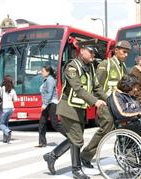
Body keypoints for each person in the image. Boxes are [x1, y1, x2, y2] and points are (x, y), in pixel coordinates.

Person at [43, 45, 109, 179]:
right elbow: (78, 88)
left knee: (74, 138)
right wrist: (95, 101)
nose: (93, 55)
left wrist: (110, 99)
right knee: (77, 139)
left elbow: (96, 87)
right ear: (82, 51)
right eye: (90, 52)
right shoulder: (71, 67)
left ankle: (51, 156)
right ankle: (76, 170)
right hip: (68, 108)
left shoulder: (90, 67)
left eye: (94, 53)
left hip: (79, 108)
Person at [80, 40, 132, 168]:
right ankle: (85, 156)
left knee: (125, 129)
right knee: (107, 127)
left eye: (127, 53)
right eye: (124, 52)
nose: (126, 55)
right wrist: (102, 101)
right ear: (116, 50)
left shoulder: (123, 67)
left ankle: (129, 158)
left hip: (118, 105)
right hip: (105, 105)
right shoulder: (105, 65)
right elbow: (96, 86)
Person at [36, 66, 67, 147]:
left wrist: (44, 104)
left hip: (51, 104)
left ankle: (70, 137)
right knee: (42, 123)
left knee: (55, 124)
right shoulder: (46, 80)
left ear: (48, 72)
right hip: (47, 104)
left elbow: (49, 93)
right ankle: (42, 142)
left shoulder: (50, 80)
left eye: (43, 71)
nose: (41, 72)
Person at [0, 75, 17, 143]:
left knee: (1, 124)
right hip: (11, 109)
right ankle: (6, 139)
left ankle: (8, 131)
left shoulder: (1, 88)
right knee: (5, 123)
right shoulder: (12, 89)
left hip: (4, 108)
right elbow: (16, 99)